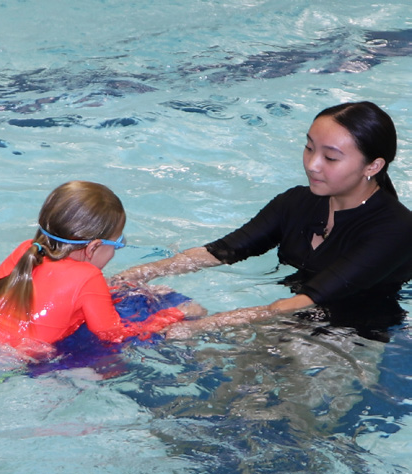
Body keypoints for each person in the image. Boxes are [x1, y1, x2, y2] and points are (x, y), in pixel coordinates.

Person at [115, 101, 412, 338]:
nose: (312, 164)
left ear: (373, 165)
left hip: (355, 331)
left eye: (330, 158)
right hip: (287, 315)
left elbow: (303, 301)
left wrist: (203, 326)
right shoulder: (298, 201)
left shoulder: (394, 229)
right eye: (309, 147)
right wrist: (135, 276)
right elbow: (223, 250)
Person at [0, 180, 190, 359]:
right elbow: (112, 334)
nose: (116, 251)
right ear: (95, 246)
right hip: (1, 360)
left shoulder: (27, 249)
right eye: (118, 244)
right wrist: (171, 316)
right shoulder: (88, 277)